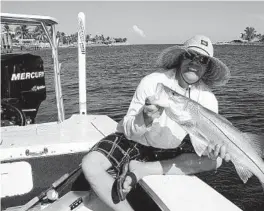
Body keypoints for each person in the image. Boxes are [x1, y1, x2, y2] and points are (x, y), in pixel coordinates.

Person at [82, 35, 231, 211]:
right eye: (190, 55)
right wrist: (145, 118)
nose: (194, 62)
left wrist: (212, 150)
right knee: (90, 164)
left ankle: (143, 169)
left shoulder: (209, 99)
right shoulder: (152, 82)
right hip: (136, 141)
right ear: (180, 57)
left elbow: (204, 141)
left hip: (172, 148)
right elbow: (129, 130)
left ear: (207, 67)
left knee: (216, 161)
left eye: (203, 59)